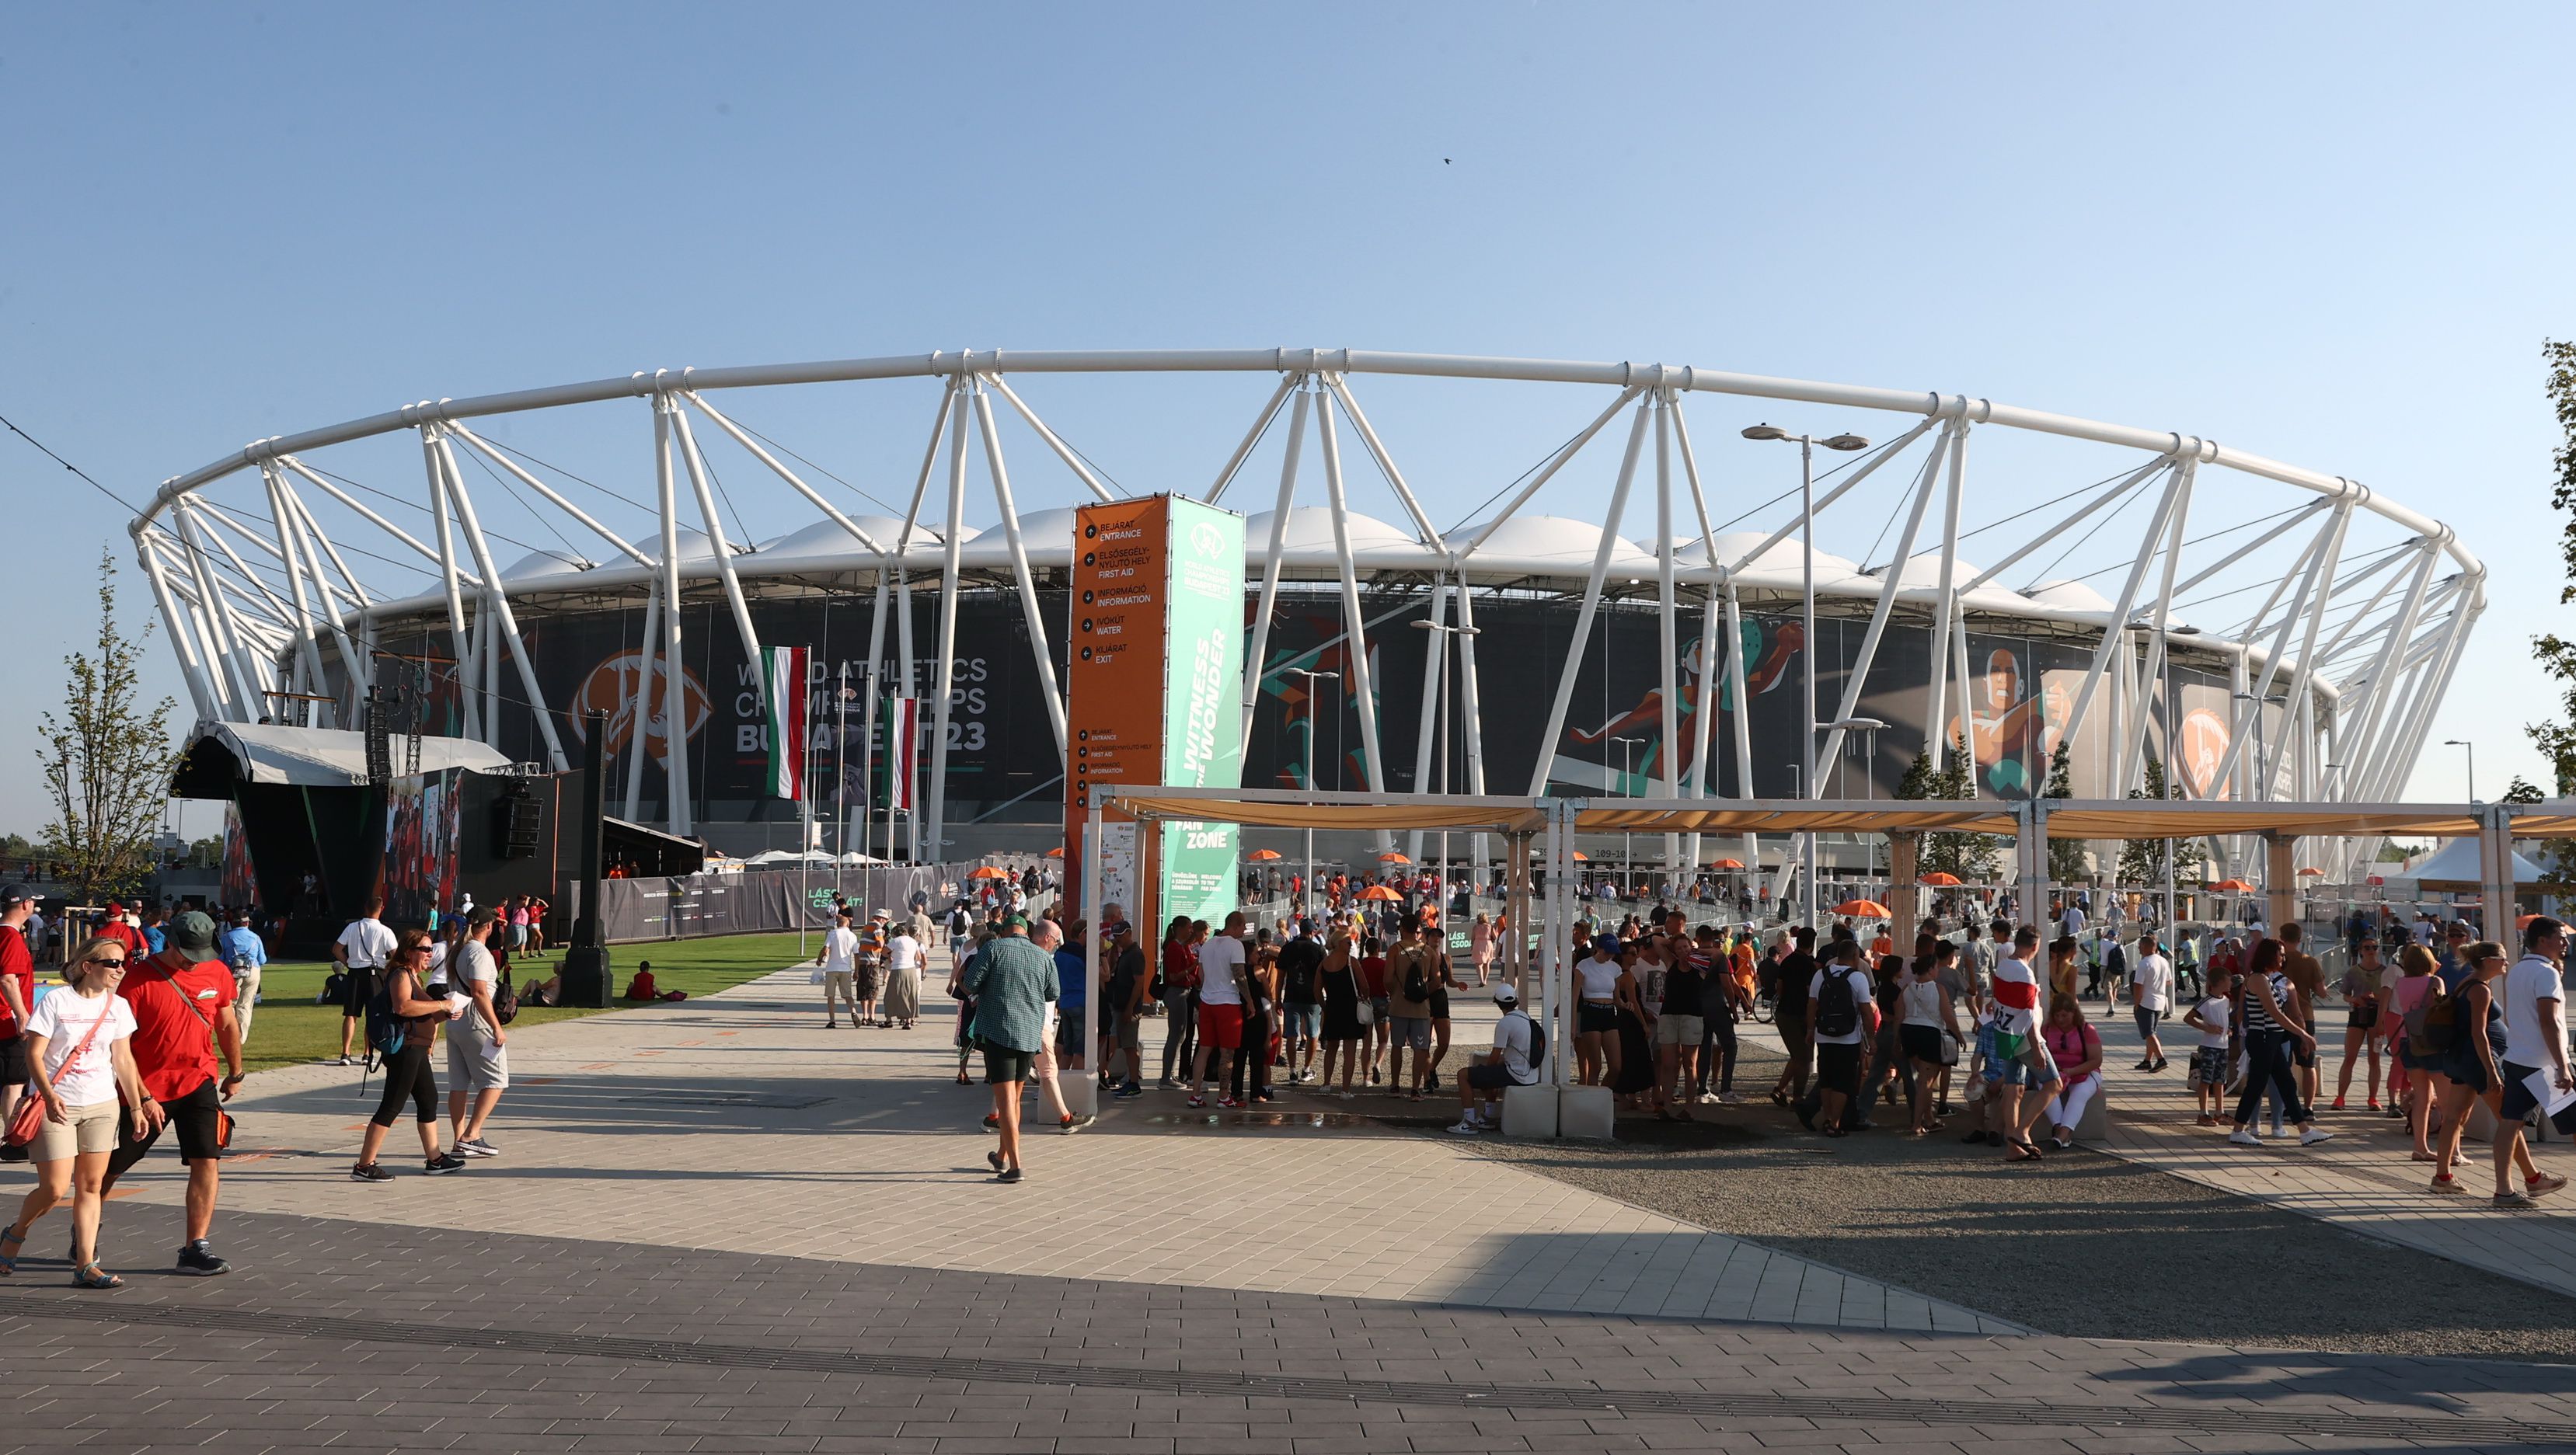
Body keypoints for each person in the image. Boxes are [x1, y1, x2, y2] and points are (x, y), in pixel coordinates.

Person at [1, 935, 153, 1287]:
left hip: (102, 1105)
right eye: (112, 963)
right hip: (57, 1105)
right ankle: (15, 1233)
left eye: (123, 962)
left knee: (90, 1185)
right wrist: (49, 1095)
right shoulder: (56, 1000)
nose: (120, 969)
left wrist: (136, 1105)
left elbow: (124, 1060)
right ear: (88, 966)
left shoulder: (118, 1006)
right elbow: (34, 1055)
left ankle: (86, 1265)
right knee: (54, 1189)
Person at [98, 911, 245, 1275]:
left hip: (199, 1082)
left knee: (206, 1160)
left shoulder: (218, 972)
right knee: (112, 1166)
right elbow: (120, 1046)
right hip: (146, 1091)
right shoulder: (136, 981)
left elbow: (226, 1023)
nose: (194, 963)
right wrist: (143, 1096)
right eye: (187, 955)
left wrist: (236, 1071)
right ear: (171, 943)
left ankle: (196, 1246)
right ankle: (86, 1226)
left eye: (201, 954)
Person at [350, 930, 466, 1182]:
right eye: (424, 949)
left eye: (430, 949)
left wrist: (447, 1011)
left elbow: (421, 1014)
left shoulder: (415, 978)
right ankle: (364, 1165)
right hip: (406, 1049)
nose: (430, 954)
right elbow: (402, 1006)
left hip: (417, 1049)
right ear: (408, 952)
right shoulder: (401, 974)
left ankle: (435, 1159)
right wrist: (440, 1005)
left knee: (428, 1099)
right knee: (392, 1105)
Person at [959, 914, 1058, 1184]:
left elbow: (970, 984)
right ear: (1026, 932)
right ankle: (1002, 1156)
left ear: (1004, 931)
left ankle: (1015, 1166)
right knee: (1014, 1099)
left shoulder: (993, 948)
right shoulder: (1042, 956)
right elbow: (1053, 993)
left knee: (1004, 1102)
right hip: (1029, 1035)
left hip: (999, 1031)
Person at [2425, 940, 2529, 1196]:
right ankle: (2533, 1177)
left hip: (2460, 1059)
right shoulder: (2480, 990)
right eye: (2502, 958)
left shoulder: (2466, 982)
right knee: (2509, 1119)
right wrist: (2492, 1071)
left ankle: (2442, 1176)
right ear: (2487, 961)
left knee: (2454, 1118)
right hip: (2478, 1061)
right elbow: (2478, 1033)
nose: (2506, 962)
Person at [2494, 917, 2574, 1207]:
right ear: (2543, 940)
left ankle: (2504, 1190)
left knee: (2509, 1125)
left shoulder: (2516, 971)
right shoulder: (2546, 973)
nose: (2565, 943)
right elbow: (2548, 1021)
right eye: (2560, 937)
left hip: (2518, 1058)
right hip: (2545, 1064)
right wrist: (2563, 1064)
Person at [2228, 938, 2331, 1148]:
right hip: (2263, 1038)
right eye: (2280, 954)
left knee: (2286, 1082)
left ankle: (2304, 1131)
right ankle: (2238, 1130)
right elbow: (2275, 1013)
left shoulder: (2264, 979)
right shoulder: (2257, 979)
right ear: (2268, 956)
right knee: (2257, 1085)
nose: (2283, 958)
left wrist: (2298, 1033)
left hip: (2271, 1038)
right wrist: (2302, 1033)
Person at [444, 908, 509, 1160]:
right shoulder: (479, 952)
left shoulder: (458, 949)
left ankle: (459, 1140)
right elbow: (480, 991)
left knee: (459, 1084)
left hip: (456, 1019)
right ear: (489, 927)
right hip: (476, 1022)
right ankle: (472, 1134)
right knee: (496, 1080)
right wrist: (496, 1026)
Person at [1448, 983, 1543, 1134]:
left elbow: (1495, 1055)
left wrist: (1486, 1071)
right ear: (1515, 1000)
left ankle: (1469, 1122)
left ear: (1497, 1003)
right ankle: (1488, 1118)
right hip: (1530, 1074)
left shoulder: (1505, 1023)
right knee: (1490, 1074)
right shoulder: (1525, 1016)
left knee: (1463, 1075)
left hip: (1517, 1075)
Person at [1806, 938, 1877, 1137]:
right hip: (1849, 1039)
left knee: (1827, 1080)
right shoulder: (1858, 978)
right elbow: (1866, 1012)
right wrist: (1871, 1039)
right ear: (1855, 956)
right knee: (1843, 1083)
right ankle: (1835, 1124)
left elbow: (1812, 1005)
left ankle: (1828, 1119)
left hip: (1823, 1036)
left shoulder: (1820, 975)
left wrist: (1810, 1031)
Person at [1189, 912, 1250, 1109]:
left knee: (1204, 1049)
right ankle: (1224, 1096)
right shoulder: (1236, 946)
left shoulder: (1207, 945)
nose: (1243, 931)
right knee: (1227, 1053)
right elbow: (1240, 976)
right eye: (1243, 927)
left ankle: (1195, 1095)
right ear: (1236, 925)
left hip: (1207, 1001)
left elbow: (1202, 976)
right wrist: (1249, 1000)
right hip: (1228, 1004)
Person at [1898, 945, 1961, 1135]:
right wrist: (1958, 1035)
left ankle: (1929, 1118)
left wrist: (1896, 1039)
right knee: (1926, 1082)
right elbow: (1948, 1017)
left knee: (1924, 1078)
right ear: (1932, 969)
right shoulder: (1937, 988)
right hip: (1929, 1032)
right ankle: (1917, 1123)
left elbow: (1899, 1014)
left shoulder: (1907, 988)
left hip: (1909, 1030)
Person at [331, 897, 396, 1066]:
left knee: (351, 1014)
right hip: (376, 974)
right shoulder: (385, 931)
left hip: (355, 973)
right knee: (373, 1014)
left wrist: (348, 962)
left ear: (366, 909)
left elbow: (337, 949)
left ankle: (345, 1052)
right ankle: (367, 1054)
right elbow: (396, 954)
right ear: (381, 909)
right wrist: (386, 968)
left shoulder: (352, 927)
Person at [2039, 995, 2104, 1149]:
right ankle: (2059, 1127)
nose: (2061, 1020)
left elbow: (2096, 1060)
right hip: (2055, 1071)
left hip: (2085, 1072)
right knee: (2047, 1087)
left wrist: (2072, 1071)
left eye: (2065, 1015)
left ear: (2074, 1014)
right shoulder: (2046, 1030)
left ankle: (2063, 1133)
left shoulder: (2087, 1030)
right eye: (2057, 1015)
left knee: (2079, 1093)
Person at [2333, 935, 2386, 1111]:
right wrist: (2356, 999)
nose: (2371, 951)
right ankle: (2340, 1098)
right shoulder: (2353, 972)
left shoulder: (2385, 971)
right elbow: (2345, 994)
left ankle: (2373, 1098)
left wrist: (2376, 998)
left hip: (2377, 1017)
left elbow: (2389, 995)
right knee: (2350, 1057)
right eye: (2367, 948)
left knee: (2374, 1058)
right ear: (2361, 951)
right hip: (2357, 1015)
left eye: (2374, 947)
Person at [0, 886, 37, 1137]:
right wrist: (22, 1016)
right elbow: (7, 979)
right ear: (25, 905)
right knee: (14, 1082)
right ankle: (14, 1137)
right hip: (7, 1020)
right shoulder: (11, 937)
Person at [1766, 927, 1817, 1105]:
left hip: (1783, 1011)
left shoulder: (1787, 961)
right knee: (1803, 1058)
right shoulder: (1809, 965)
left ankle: (1780, 1089)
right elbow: (1811, 993)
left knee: (1796, 1055)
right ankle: (1797, 1098)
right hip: (1800, 1013)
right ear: (1812, 944)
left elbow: (1779, 988)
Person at [1316, 932, 1367, 1098]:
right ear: (1339, 943)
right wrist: (1364, 998)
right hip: (1350, 1008)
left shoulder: (1324, 964)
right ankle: (1345, 1090)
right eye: (1348, 942)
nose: (1351, 945)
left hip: (1332, 1008)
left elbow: (1316, 990)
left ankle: (1326, 1083)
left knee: (1331, 1048)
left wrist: (1324, 1006)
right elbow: (1364, 986)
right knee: (1349, 1050)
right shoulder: (1352, 962)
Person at [2184, 966, 2233, 1126]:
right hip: (2209, 1046)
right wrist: (2207, 1028)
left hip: (2223, 1046)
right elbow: (2189, 1018)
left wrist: (2229, 1030)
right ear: (2219, 982)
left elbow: (2224, 1018)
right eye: (2228, 980)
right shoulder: (2206, 1002)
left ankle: (2220, 1112)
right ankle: (2203, 1113)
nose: (2231, 983)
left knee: (2220, 1079)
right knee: (2206, 1079)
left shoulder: (2226, 1000)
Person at [1572, 935, 1623, 1089]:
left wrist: (1625, 1005)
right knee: (1596, 1066)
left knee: (1616, 1067)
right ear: (1598, 949)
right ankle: (1593, 1100)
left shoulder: (1615, 968)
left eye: (1613, 953)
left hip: (1608, 1012)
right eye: (1607, 952)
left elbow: (1617, 998)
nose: (1610, 956)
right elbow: (1575, 998)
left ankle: (1603, 1093)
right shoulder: (1584, 965)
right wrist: (1573, 1025)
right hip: (1590, 1011)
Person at [1277, 921, 1325, 1084]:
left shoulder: (1288, 948)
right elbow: (1323, 975)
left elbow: (1280, 976)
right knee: (1313, 1034)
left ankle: (1292, 1071)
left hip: (1291, 994)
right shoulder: (1318, 949)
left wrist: (1278, 998)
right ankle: (1306, 1069)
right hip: (1312, 997)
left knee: (1291, 1035)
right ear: (1312, 932)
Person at [2125, 932, 2173, 1073]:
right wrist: (2157, 982)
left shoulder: (2144, 963)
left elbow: (2138, 985)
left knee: (2148, 1033)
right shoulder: (2163, 961)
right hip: (2160, 1002)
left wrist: (2137, 1002)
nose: (2139, 949)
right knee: (2151, 1032)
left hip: (2146, 1002)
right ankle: (2147, 1060)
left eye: (2140, 946)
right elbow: (2169, 981)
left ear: (2146, 947)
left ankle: (2161, 1059)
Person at [216, 910, 267, 1043]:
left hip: (232, 972)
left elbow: (220, 959)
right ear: (247, 923)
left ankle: (231, 1035)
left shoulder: (226, 937)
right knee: (245, 1005)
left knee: (230, 1005)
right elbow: (262, 960)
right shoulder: (255, 937)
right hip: (252, 971)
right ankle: (241, 1038)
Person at [815, 910, 859, 1029]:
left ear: (837, 923)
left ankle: (832, 1020)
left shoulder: (833, 933)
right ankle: (853, 1011)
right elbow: (856, 954)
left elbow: (825, 949)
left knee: (831, 996)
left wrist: (819, 959)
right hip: (846, 968)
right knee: (847, 995)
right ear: (848, 924)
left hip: (832, 968)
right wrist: (857, 971)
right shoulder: (853, 936)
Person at [884, 913, 923, 1030]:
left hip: (898, 969)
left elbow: (884, 952)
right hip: (911, 970)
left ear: (895, 933)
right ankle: (908, 1021)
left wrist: (891, 957)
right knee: (909, 994)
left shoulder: (896, 941)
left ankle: (889, 1020)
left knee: (891, 995)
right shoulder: (913, 941)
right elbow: (919, 957)